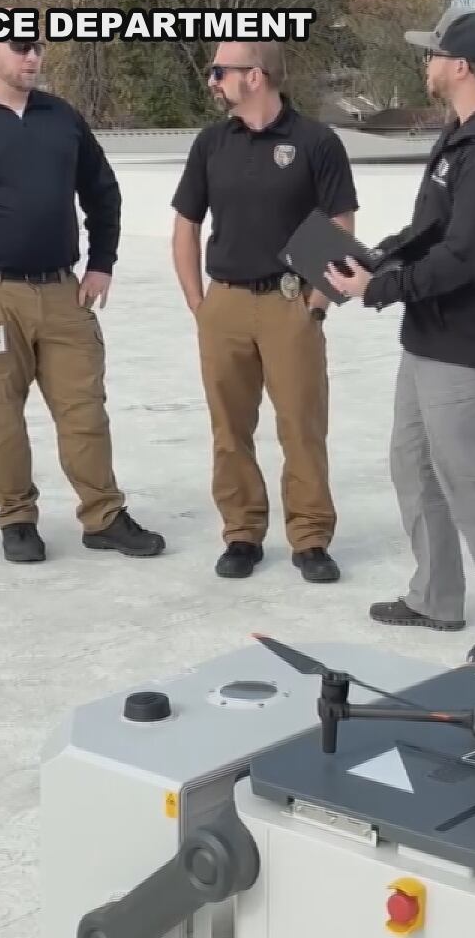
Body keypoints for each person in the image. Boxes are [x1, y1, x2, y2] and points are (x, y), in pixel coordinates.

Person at [323, 7, 475, 631]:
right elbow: (433, 229)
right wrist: (375, 257)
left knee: (472, 478)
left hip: (467, 346)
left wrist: (381, 287)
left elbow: (466, 257)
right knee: (415, 464)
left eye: (431, 54)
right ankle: (436, 596)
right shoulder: (462, 137)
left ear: (459, 66)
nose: (424, 64)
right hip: (430, 336)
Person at [0, 37, 166, 563]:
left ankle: (104, 515)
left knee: (84, 409)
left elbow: (102, 191)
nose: (32, 58)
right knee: (0, 415)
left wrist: (102, 262)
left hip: (64, 292)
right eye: (20, 47)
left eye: (38, 47)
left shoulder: (61, 117)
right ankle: (17, 519)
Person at [171, 42, 358, 583]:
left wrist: (316, 303)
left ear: (255, 76)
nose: (212, 81)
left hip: (288, 300)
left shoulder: (316, 142)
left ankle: (311, 538)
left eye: (219, 72)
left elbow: (340, 224)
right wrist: (198, 304)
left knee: (302, 425)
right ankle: (241, 534)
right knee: (229, 428)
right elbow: (186, 225)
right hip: (224, 302)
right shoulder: (210, 143)